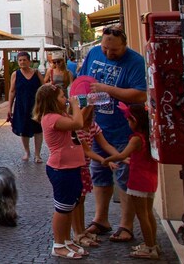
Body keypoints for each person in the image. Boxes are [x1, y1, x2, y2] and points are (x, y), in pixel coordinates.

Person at [77, 25, 146, 244]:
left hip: (124, 130)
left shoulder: (135, 61)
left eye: (114, 50)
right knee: (99, 173)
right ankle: (101, 219)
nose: (108, 53)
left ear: (124, 45)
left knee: (125, 177)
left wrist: (107, 89)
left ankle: (126, 225)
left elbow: (140, 94)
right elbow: (82, 83)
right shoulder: (94, 53)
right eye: (105, 49)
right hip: (98, 127)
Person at [33, 83, 89, 259]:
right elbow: (78, 123)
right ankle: (58, 245)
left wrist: (86, 106)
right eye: (62, 97)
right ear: (52, 101)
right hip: (61, 168)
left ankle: (66, 240)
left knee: (70, 206)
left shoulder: (61, 115)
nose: (65, 99)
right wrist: (75, 105)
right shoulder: (51, 118)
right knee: (62, 208)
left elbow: (79, 121)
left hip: (71, 167)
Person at [103, 104, 160, 260]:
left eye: (128, 120)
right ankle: (152, 243)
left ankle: (149, 248)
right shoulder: (149, 136)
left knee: (142, 215)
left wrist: (107, 160)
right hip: (150, 179)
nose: (127, 123)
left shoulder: (136, 139)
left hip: (138, 180)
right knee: (148, 213)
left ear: (135, 121)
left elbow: (122, 155)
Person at [69, 76, 118, 248]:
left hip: (84, 169)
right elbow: (87, 150)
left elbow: (105, 145)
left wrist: (120, 156)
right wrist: (106, 160)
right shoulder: (75, 128)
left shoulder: (92, 126)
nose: (89, 110)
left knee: (81, 200)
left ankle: (81, 230)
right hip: (74, 169)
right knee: (76, 201)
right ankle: (77, 232)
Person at [7, 51, 43, 162]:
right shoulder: (15, 74)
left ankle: (37, 154)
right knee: (23, 129)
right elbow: (12, 91)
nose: (22, 62)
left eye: (24, 60)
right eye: (20, 60)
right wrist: (9, 107)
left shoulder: (36, 73)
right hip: (21, 105)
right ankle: (27, 152)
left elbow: (43, 88)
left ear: (29, 61)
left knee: (38, 129)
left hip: (36, 106)